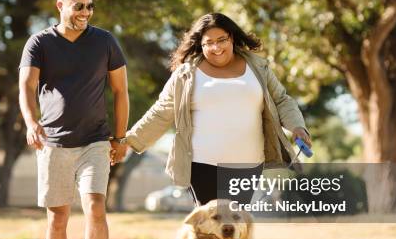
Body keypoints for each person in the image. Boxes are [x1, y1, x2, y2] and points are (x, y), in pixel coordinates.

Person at [18, 0, 129, 239]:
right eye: (78, 5)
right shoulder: (39, 43)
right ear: (60, 6)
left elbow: (121, 91)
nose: (85, 12)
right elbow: (26, 86)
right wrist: (30, 122)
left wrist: (120, 138)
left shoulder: (104, 41)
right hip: (53, 143)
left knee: (96, 206)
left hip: (95, 140)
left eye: (89, 5)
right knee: (58, 217)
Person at [120, 12, 310, 205]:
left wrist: (297, 127)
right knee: (211, 224)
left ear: (232, 38)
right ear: (200, 45)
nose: (216, 47)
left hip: (249, 163)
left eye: (221, 40)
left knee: (235, 224)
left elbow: (282, 100)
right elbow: (161, 112)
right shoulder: (186, 75)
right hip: (203, 164)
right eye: (208, 43)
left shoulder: (258, 68)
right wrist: (130, 141)